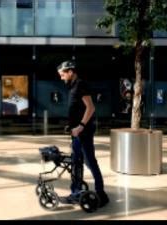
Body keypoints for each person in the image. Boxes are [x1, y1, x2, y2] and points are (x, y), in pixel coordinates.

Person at [57, 60, 109, 208]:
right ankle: (76, 192)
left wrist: (80, 126)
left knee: (89, 162)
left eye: (62, 75)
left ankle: (100, 194)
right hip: (77, 133)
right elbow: (78, 109)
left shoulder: (80, 85)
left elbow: (90, 108)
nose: (61, 78)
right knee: (76, 162)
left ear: (70, 72)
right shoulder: (73, 86)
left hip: (83, 133)